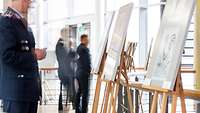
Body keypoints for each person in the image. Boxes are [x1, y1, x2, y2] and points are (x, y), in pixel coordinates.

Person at [0, 0, 46, 113]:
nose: (29, 3)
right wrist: (34, 55)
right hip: (16, 92)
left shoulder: (22, 23)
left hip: (28, 91)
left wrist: (35, 52)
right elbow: (7, 55)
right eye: (25, 0)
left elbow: (25, 51)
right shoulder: (6, 22)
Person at [56, 27, 77, 111]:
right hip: (65, 73)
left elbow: (75, 56)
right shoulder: (60, 45)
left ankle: (74, 104)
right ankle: (74, 104)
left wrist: (71, 48)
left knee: (73, 91)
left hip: (69, 73)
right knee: (71, 91)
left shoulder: (65, 45)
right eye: (68, 34)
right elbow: (64, 60)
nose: (69, 36)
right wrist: (71, 48)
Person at [75, 34, 91, 113]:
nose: (88, 41)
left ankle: (77, 109)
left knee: (80, 91)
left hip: (78, 72)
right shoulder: (84, 49)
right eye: (87, 39)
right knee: (85, 93)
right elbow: (87, 62)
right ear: (82, 40)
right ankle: (84, 110)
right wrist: (89, 71)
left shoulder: (78, 48)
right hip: (83, 73)